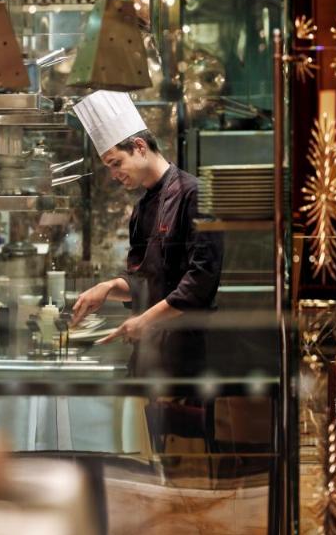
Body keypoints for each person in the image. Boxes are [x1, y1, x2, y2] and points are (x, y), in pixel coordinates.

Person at [69, 90, 223, 377]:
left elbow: (201, 282)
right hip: (146, 358)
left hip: (184, 359)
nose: (113, 174)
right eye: (108, 167)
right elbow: (143, 281)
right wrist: (107, 288)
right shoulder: (141, 209)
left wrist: (145, 320)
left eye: (116, 163)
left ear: (139, 146)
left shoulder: (195, 194)